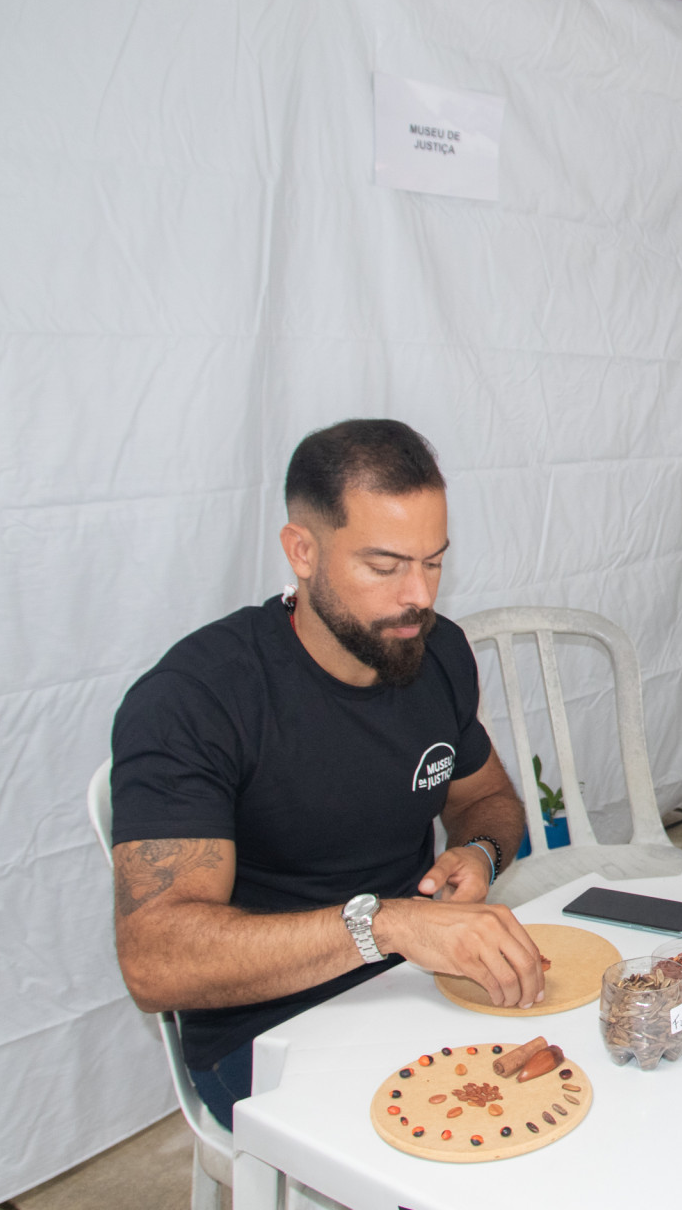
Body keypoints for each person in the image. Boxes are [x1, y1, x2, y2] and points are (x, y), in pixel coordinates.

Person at [108, 420, 544, 1129]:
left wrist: (479, 853)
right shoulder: (198, 697)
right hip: (264, 1032)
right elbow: (155, 962)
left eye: (433, 562)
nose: (419, 595)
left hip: (413, 982)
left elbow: (488, 796)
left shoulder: (435, 655)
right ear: (302, 551)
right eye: (385, 566)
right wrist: (386, 926)